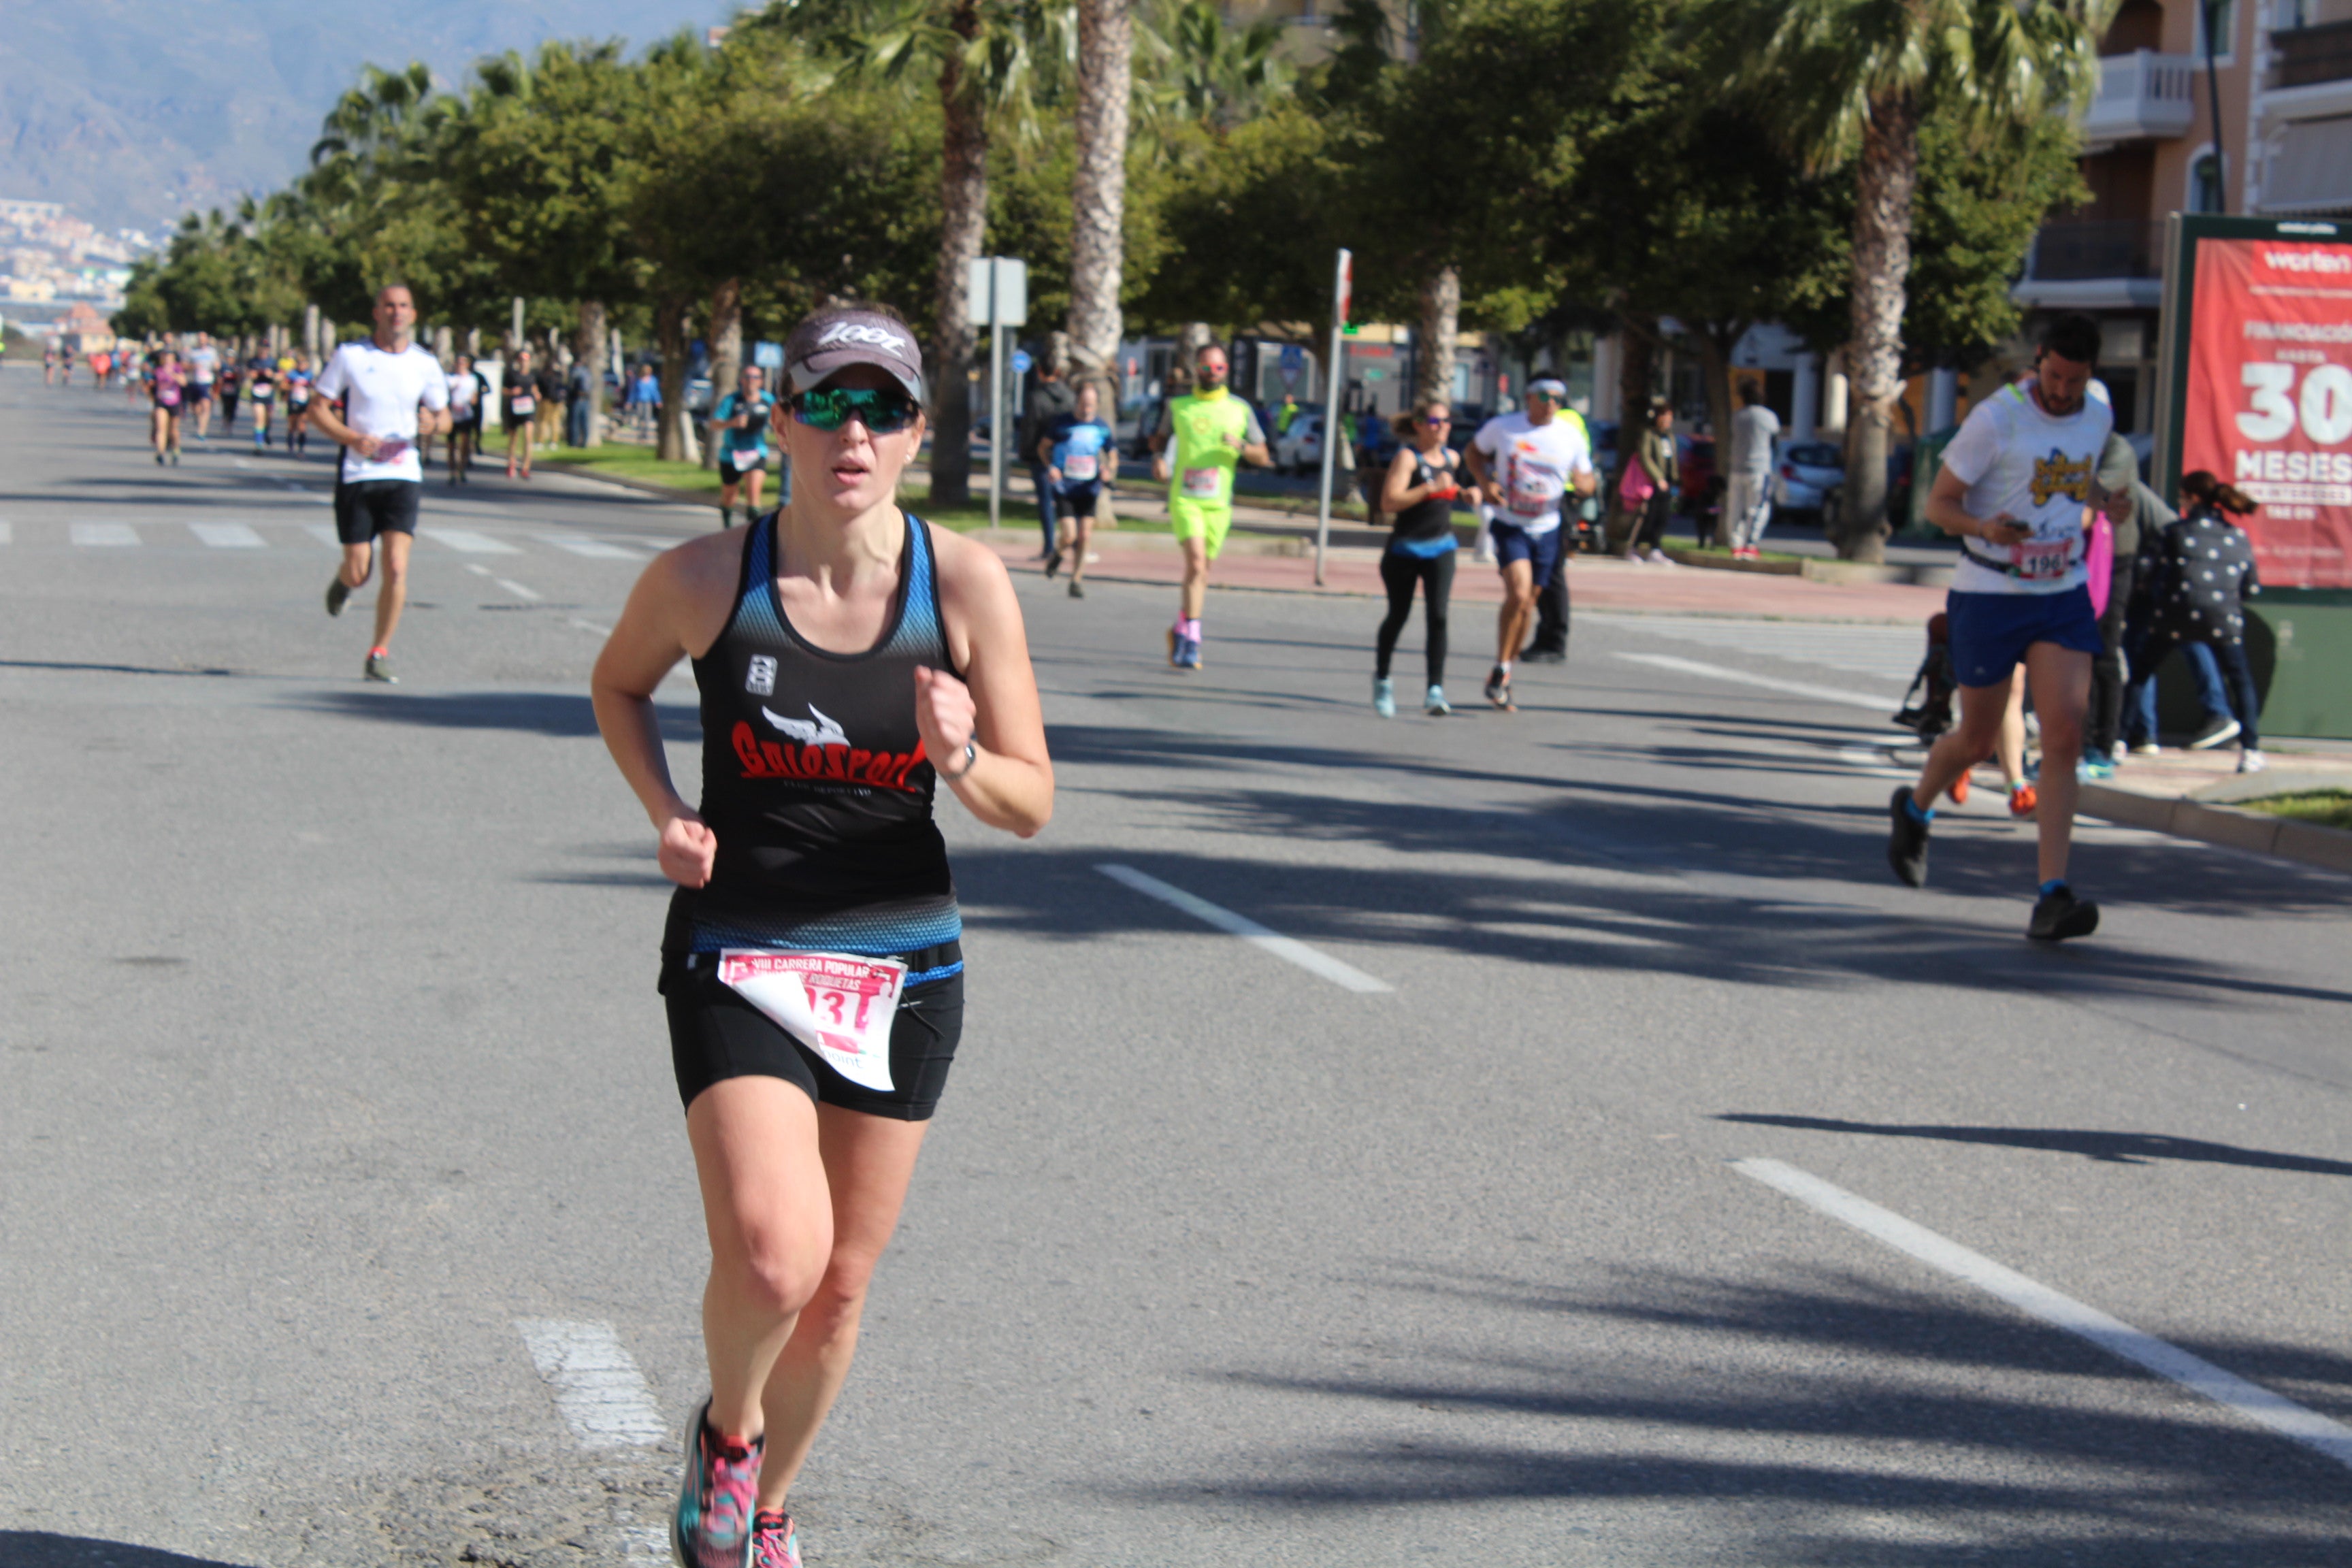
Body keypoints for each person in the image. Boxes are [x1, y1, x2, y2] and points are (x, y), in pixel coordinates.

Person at [589, 304, 1051, 1568]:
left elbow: (1030, 799)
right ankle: (727, 1435)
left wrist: (960, 757)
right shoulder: (704, 579)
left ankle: (769, 1506)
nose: (856, 431)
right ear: (781, 418)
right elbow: (616, 682)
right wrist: (667, 810)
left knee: (841, 1283)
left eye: (885, 408)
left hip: (900, 963)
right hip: (739, 944)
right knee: (774, 1254)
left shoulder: (959, 584)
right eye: (831, 405)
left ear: (914, 435)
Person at [1887, 313, 2126, 941]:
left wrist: (2105, 500)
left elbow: (2074, 481)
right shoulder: (1997, 418)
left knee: (2066, 735)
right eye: (2053, 376)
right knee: (1976, 740)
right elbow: (1940, 505)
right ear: (2037, 361)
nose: (2063, 391)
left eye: (2075, 381)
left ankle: (2053, 895)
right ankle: (1914, 810)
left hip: (2060, 590)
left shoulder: (2097, 413)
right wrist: (1986, 528)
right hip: (1990, 591)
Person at [308, 283, 453, 685]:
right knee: (360, 572)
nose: (397, 313)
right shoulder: (351, 356)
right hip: (358, 471)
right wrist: (351, 438)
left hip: (404, 470)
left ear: (413, 313)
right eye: (389, 306)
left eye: (404, 306)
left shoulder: (424, 363)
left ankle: (379, 652)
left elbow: (445, 417)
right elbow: (317, 408)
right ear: (377, 313)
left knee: (396, 566)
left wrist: (434, 424)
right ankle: (344, 581)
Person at [1465, 376, 1597, 711]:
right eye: (1544, 396)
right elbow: (1473, 454)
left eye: (1558, 398)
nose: (1551, 403)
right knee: (1519, 593)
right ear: (1528, 398)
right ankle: (1502, 668)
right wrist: (1485, 483)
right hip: (1511, 524)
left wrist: (1585, 485)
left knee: (1528, 605)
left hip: (1549, 526)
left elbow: (1587, 477)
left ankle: (1503, 670)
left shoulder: (1570, 436)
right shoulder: (1504, 427)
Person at [2131, 471, 2268, 773]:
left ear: (2191, 498)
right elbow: (2251, 588)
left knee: (2140, 672)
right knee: (2240, 679)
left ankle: (2118, 741)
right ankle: (2251, 749)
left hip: (2174, 615)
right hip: (2224, 619)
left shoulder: (2175, 532)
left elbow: (2145, 572)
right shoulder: (2237, 536)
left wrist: (2159, 594)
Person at [1149, 343, 1271, 670]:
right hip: (1186, 498)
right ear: (1196, 370)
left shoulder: (1239, 409)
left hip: (1219, 503)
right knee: (1197, 564)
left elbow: (1263, 455)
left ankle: (1180, 628)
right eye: (1205, 367)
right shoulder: (1178, 406)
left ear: (1226, 370)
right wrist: (1159, 460)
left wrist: (1242, 446)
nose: (1211, 373)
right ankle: (1193, 640)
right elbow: (1159, 440)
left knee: (1201, 573)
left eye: (1217, 368)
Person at [1373, 399, 1465, 717]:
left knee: (1438, 615)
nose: (1442, 428)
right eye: (1435, 422)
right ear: (1419, 426)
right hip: (1405, 550)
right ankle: (1383, 679)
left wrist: (1469, 494)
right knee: (1398, 615)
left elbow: (1451, 490)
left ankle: (1435, 690)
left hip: (1442, 547)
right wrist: (1428, 488)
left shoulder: (1453, 458)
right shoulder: (1407, 458)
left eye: (1447, 422)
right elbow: (1389, 502)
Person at [1039, 379, 1117, 597]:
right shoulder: (1062, 424)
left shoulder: (1101, 427)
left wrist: (1108, 469)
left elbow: (1112, 454)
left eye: (1091, 404)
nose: (1087, 409)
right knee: (1069, 536)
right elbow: (1043, 448)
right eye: (1083, 403)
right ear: (1077, 402)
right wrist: (1051, 467)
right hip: (1065, 486)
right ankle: (1057, 554)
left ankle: (1076, 579)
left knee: (1085, 536)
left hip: (1089, 487)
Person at [1020, 359, 1076, 559]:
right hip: (1067, 457)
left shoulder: (1036, 397)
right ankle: (1075, 543)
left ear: (1040, 371)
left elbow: (1030, 428)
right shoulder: (1070, 396)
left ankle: (1050, 546)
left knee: (1045, 501)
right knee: (1068, 499)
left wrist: (1026, 452)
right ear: (1059, 371)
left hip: (1040, 456)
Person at [711, 365, 777, 529]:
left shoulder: (768, 400)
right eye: (747, 377)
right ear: (741, 380)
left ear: (761, 381)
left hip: (756, 452)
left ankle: (753, 534)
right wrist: (732, 423)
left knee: (754, 495)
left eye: (755, 377)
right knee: (729, 496)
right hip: (731, 454)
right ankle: (727, 526)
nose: (751, 381)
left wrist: (774, 424)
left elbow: (780, 420)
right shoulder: (732, 400)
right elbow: (714, 423)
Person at [1725, 383, 1780, 559]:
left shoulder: (1737, 416)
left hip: (1736, 468)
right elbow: (1774, 441)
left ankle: (1735, 545)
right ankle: (1751, 545)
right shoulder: (1769, 417)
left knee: (1735, 508)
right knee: (1757, 508)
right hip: (1759, 469)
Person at [1624, 397, 1679, 564]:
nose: (1669, 420)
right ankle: (1633, 548)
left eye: (1671, 416)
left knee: (1663, 516)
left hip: (1667, 484)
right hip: (1651, 484)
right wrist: (1658, 478)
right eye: (1666, 416)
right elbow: (1645, 457)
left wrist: (1674, 478)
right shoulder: (1649, 434)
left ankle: (1655, 549)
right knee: (1647, 517)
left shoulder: (1668, 436)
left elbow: (1672, 459)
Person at [446, 353, 485, 485]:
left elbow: (475, 397)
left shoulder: (472, 379)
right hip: (452, 415)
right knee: (451, 445)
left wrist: (469, 403)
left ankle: (462, 469)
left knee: (465, 442)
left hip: (466, 414)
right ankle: (452, 472)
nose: (461, 365)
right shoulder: (450, 378)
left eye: (463, 362)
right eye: (459, 362)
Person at [504, 348, 540, 480]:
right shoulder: (511, 375)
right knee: (514, 438)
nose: (524, 363)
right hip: (515, 408)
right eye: (522, 360)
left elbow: (534, 387)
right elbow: (504, 390)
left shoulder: (533, 375)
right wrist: (511, 392)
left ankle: (526, 467)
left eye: (526, 360)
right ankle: (511, 463)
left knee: (528, 437)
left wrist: (536, 394)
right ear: (518, 361)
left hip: (528, 408)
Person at [148, 347, 186, 466]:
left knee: (173, 430)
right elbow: (151, 385)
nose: (167, 359)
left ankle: (175, 449)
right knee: (161, 427)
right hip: (161, 401)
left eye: (169, 357)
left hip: (174, 402)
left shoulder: (178, 369)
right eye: (164, 356)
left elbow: (184, 383)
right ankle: (160, 453)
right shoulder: (158, 370)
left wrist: (174, 375)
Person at [285, 356, 315, 454]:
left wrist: (312, 386)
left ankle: (301, 447)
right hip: (293, 401)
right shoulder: (292, 374)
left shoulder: (309, 375)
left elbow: (314, 386)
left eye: (304, 364)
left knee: (302, 424)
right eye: (300, 364)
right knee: (292, 424)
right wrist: (293, 386)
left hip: (304, 402)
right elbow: (283, 386)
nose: (302, 366)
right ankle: (290, 444)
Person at [248, 357, 277, 449]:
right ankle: (259, 444)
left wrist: (272, 375)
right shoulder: (253, 361)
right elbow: (248, 374)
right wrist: (255, 374)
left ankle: (265, 434)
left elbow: (280, 376)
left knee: (268, 419)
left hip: (269, 394)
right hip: (257, 393)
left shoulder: (272, 361)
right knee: (259, 418)